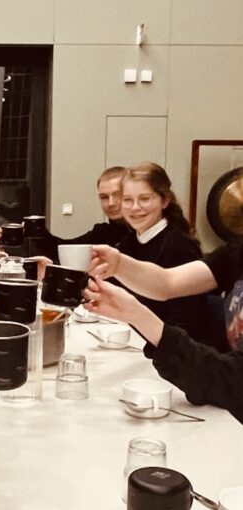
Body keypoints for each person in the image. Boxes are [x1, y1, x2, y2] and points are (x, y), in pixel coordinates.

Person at [84, 238, 243, 423]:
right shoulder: (237, 253)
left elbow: (232, 381)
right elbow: (169, 282)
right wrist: (118, 264)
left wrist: (139, 316)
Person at [115, 162, 208, 342]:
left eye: (144, 199)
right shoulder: (129, 242)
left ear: (164, 200)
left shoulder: (179, 247)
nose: (135, 207)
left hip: (170, 347)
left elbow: (185, 322)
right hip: (137, 339)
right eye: (127, 200)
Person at [40, 166, 131, 262]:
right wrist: (38, 232)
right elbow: (66, 250)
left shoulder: (140, 235)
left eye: (118, 195)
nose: (111, 203)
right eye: (104, 197)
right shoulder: (103, 233)